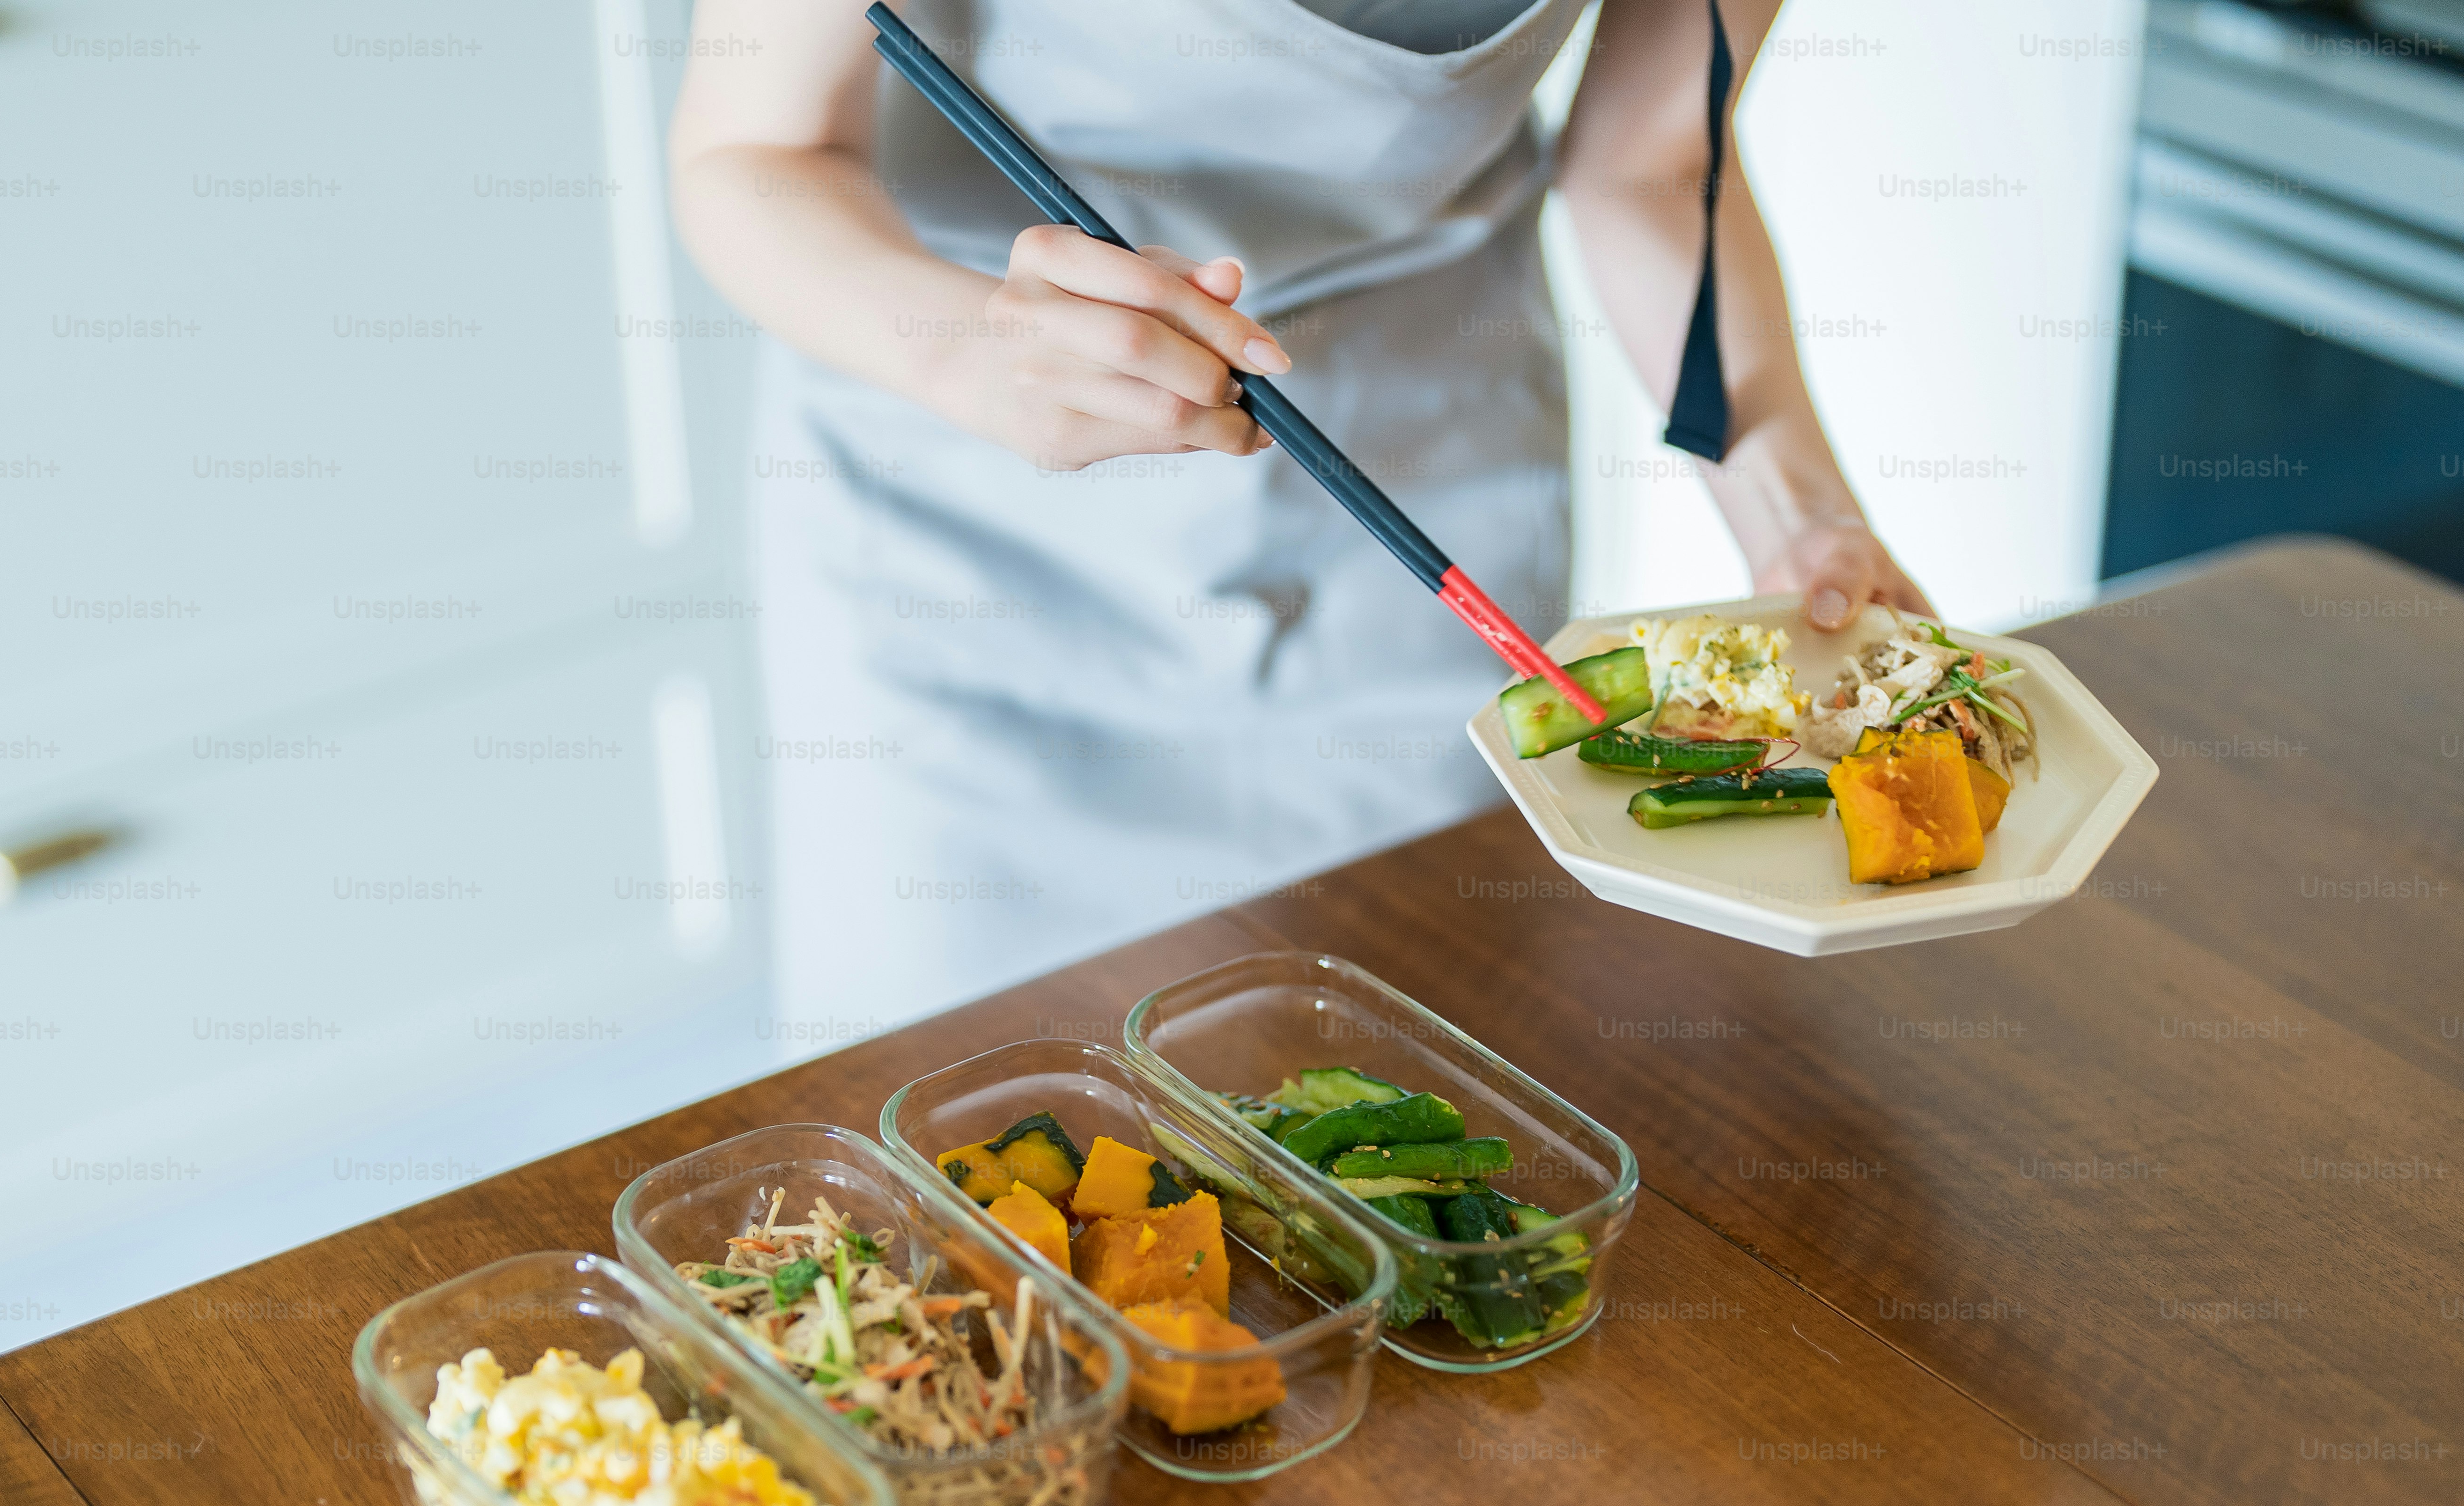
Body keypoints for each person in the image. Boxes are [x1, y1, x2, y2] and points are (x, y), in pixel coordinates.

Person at [669, 0, 1928, 1034]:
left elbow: (1657, 164)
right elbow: (753, 154)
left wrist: (1794, 514)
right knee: (970, 1171)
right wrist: (964, 358)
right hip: (971, 539)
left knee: (1402, 1103)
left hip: (1423, 484)